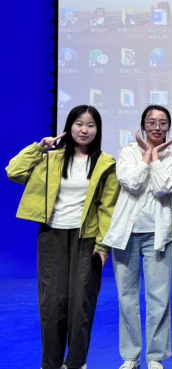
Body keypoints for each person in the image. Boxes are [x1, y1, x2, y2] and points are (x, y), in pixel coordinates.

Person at [6, 105, 120, 369]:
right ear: (69, 127)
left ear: (98, 130)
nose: (84, 130)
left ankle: (77, 362)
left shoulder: (105, 163)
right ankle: (51, 363)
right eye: (79, 124)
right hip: (52, 236)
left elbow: (108, 207)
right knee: (52, 303)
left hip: (87, 238)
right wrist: (39, 148)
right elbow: (14, 171)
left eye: (90, 125)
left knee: (82, 303)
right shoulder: (51, 159)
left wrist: (104, 244)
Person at [104, 105, 172, 369]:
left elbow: (162, 188)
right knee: (126, 297)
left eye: (162, 123)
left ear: (168, 127)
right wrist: (147, 156)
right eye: (151, 122)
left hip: (157, 235)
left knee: (158, 297)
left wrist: (156, 157)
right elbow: (132, 183)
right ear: (143, 126)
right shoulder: (127, 152)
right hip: (126, 234)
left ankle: (155, 356)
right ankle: (131, 356)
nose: (157, 127)